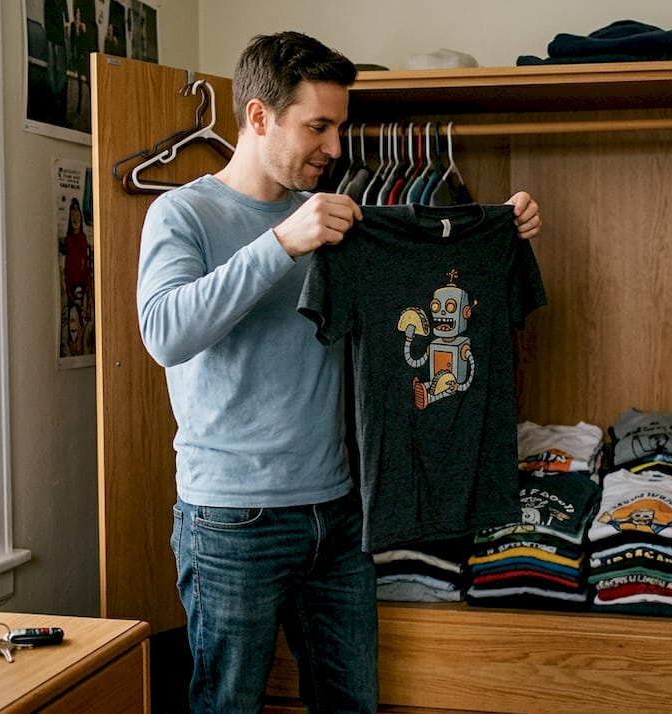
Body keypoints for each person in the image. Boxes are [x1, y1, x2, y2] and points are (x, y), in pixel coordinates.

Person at [136, 31, 540, 714]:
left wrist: (501, 228)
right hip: (233, 520)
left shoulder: (343, 220)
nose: (334, 146)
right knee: (226, 705)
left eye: (340, 126)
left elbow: (420, 282)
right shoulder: (185, 214)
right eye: (317, 126)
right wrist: (281, 243)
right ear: (259, 117)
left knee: (353, 703)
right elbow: (166, 333)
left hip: (338, 512)